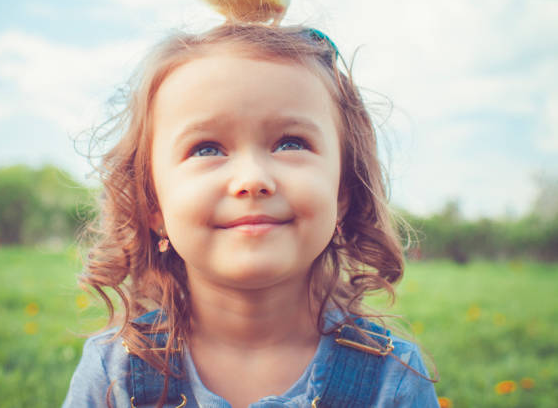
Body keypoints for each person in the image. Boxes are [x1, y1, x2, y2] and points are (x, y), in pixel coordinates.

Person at [63, 23, 440, 407]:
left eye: (291, 143)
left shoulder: (392, 381)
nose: (253, 180)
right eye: (207, 149)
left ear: (342, 192)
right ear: (154, 206)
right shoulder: (115, 373)